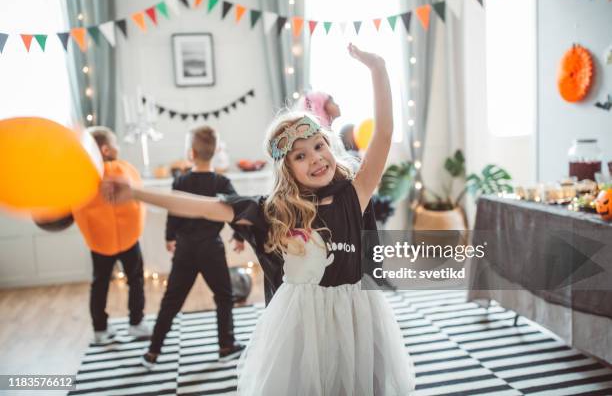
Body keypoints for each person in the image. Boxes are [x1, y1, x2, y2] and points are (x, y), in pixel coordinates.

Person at [102, 44, 415, 395]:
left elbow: (384, 134)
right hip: (299, 327)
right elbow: (201, 206)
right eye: (300, 155)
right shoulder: (272, 212)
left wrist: (378, 68)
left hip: (356, 319)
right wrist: (136, 193)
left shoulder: (352, 195)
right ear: (287, 168)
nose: (315, 158)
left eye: (319, 146)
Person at [141, 126, 246, 368]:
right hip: (211, 248)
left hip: (186, 249)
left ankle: (153, 351)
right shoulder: (222, 182)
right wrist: (239, 236)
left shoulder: (181, 180)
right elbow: (237, 210)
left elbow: (174, 211)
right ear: (217, 150)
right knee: (224, 297)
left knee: (172, 300)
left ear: (191, 154)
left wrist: (170, 237)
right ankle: (226, 345)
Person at [72, 126, 151, 343]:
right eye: (116, 144)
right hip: (128, 239)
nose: (118, 148)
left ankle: (100, 329)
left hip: (100, 241)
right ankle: (136, 323)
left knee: (100, 284)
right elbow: (137, 193)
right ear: (106, 149)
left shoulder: (83, 175)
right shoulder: (122, 169)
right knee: (135, 280)